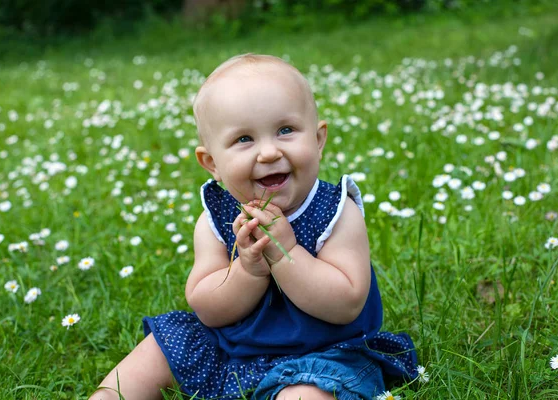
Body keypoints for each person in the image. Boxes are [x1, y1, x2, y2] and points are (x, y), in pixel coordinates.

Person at [90, 54, 418, 400]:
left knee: (306, 392)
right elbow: (208, 308)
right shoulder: (217, 219)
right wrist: (249, 270)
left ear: (318, 140)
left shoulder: (336, 212)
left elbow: (346, 304)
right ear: (212, 163)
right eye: (244, 139)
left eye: (286, 130)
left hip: (323, 353)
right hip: (230, 347)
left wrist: (287, 254)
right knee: (159, 350)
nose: (268, 152)